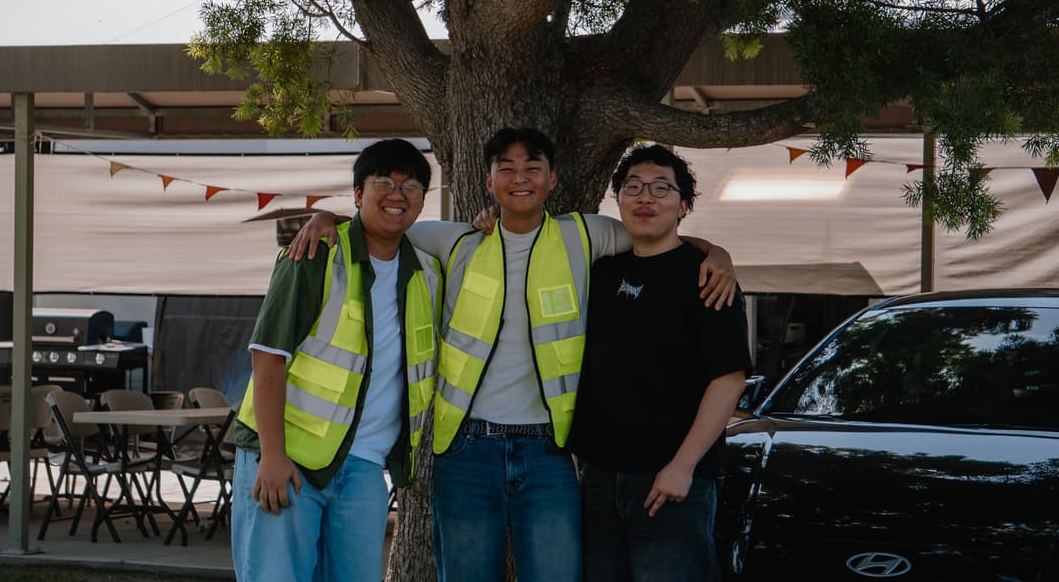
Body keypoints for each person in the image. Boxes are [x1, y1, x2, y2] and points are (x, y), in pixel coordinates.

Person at [289, 128, 737, 582]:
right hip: (465, 452)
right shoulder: (455, 241)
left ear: (552, 179)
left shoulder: (587, 235)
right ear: (488, 182)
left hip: (549, 454)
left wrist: (717, 253)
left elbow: (659, 236)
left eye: (532, 168)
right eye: (506, 168)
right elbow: (380, 225)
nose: (519, 178)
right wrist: (326, 217)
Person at [230, 138, 442, 582]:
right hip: (289, 460)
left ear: (424, 200)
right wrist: (272, 456)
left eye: (411, 187)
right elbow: (268, 359)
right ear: (358, 193)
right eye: (383, 182)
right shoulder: (316, 254)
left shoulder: (428, 272)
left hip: (364, 467)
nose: (397, 195)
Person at [567, 144, 751, 582]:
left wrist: (682, 468)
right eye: (633, 187)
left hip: (672, 483)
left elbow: (729, 379)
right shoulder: (600, 271)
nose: (645, 197)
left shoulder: (706, 277)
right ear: (618, 200)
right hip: (599, 479)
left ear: (683, 205)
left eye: (661, 188)